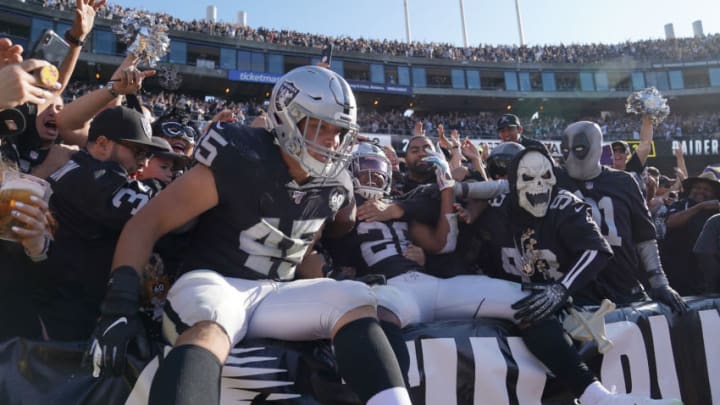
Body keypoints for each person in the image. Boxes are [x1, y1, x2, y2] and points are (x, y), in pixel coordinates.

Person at [87, 66, 411, 405]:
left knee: (355, 298)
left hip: (278, 294)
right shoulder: (241, 155)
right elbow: (146, 222)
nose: (331, 141)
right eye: (320, 126)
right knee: (210, 323)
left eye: (339, 131)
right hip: (214, 282)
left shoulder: (337, 184)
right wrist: (118, 303)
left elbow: (316, 239)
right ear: (288, 119)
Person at [35, 106, 165, 340]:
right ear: (103, 144)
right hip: (65, 316)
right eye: (138, 152)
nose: (143, 163)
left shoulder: (81, 167)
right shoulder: (93, 177)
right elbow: (162, 207)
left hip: (63, 302)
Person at [558, 121, 686, 312]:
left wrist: (659, 282)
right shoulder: (554, 180)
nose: (572, 156)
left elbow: (644, 236)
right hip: (578, 291)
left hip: (623, 285)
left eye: (579, 149)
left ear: (596, 148)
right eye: (566, 150)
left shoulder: (624, 182)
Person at [662, 171, 720, 295]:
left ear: (715, 193)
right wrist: (700, 207)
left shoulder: (717, 211)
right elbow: (670, 222)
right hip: (678, 270)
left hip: (707, 274)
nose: (700, 191)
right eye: (697, 187)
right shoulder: (682, 204)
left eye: (706, 189)